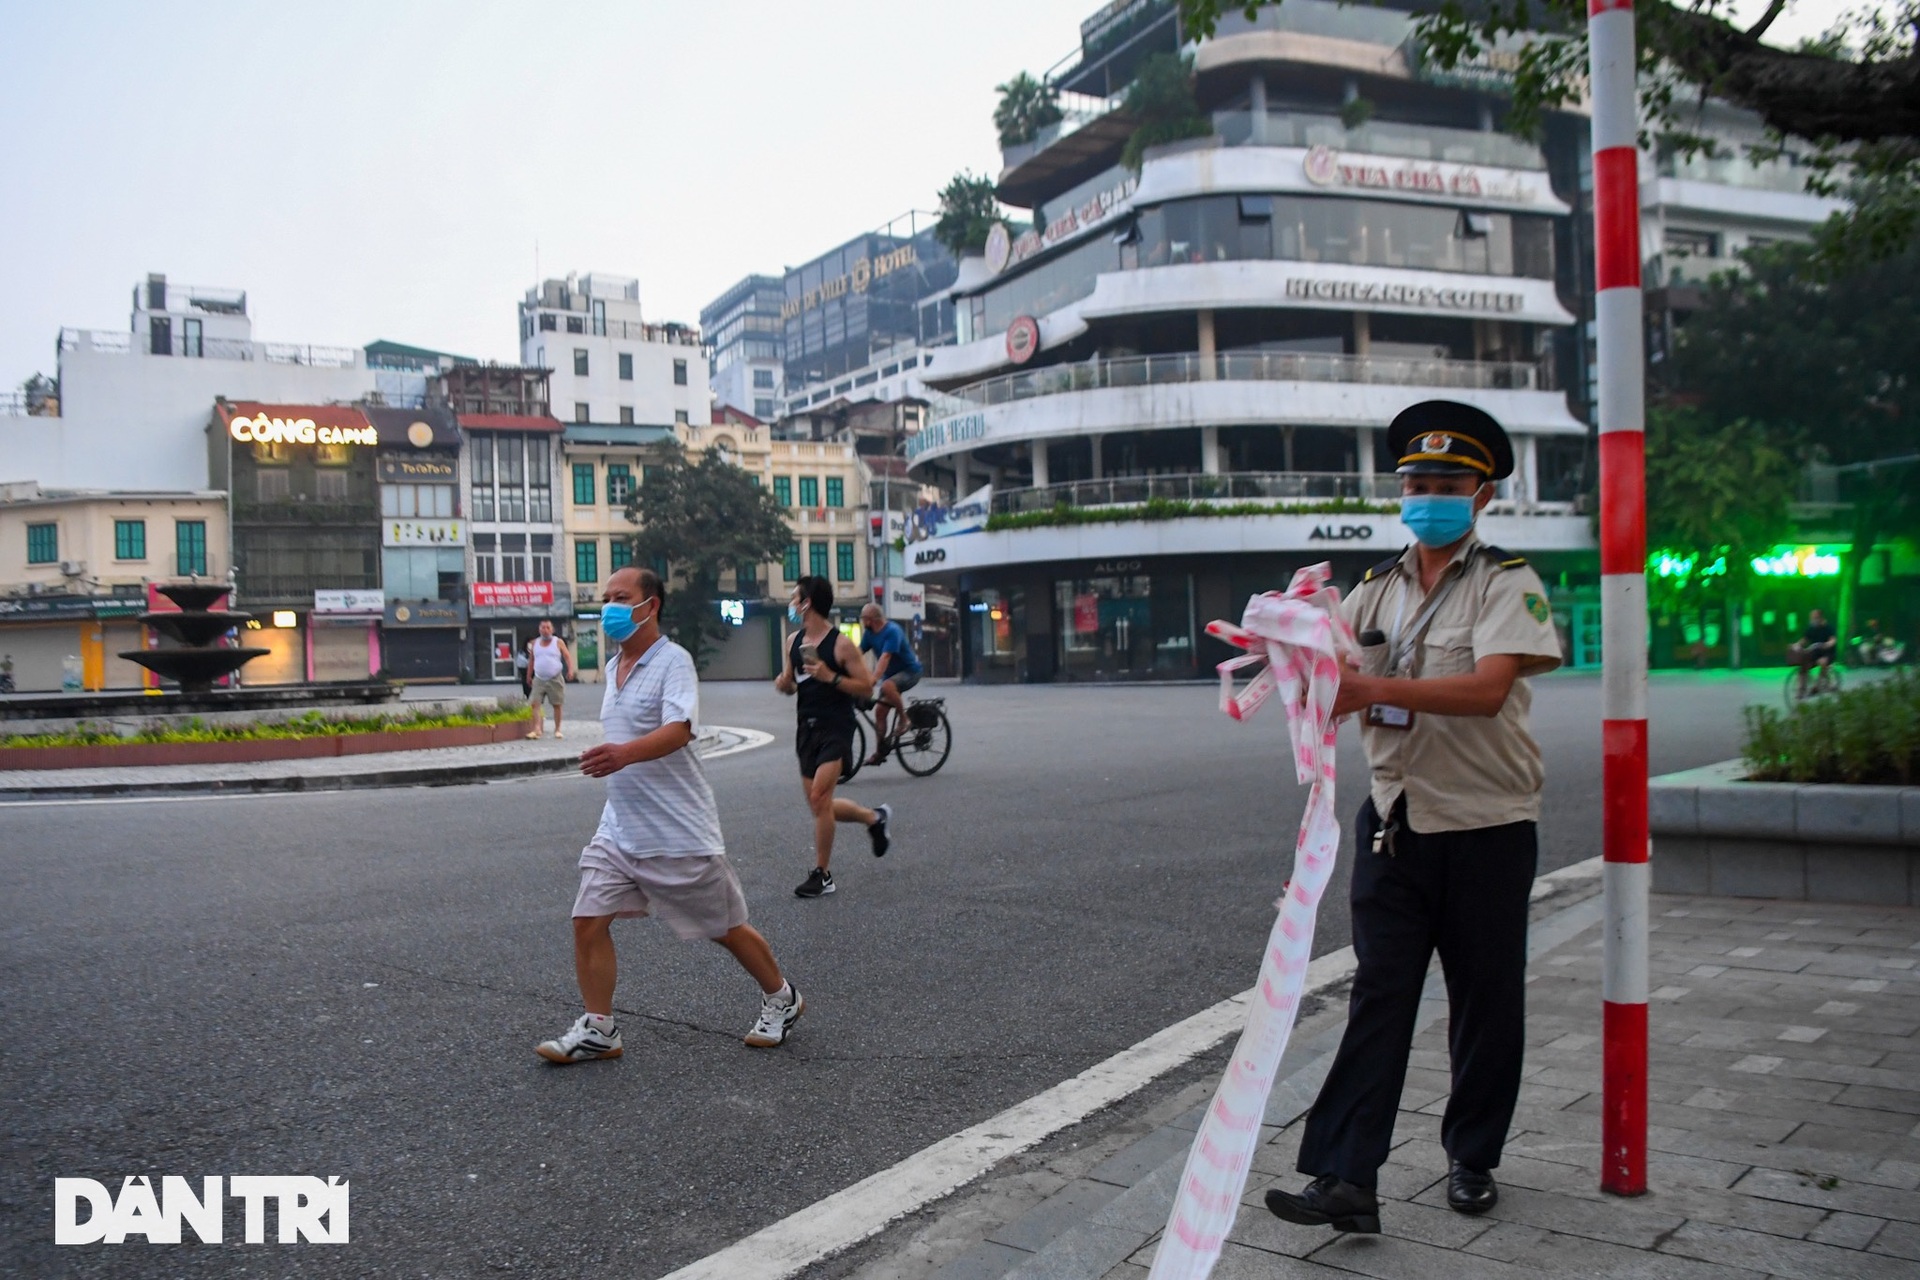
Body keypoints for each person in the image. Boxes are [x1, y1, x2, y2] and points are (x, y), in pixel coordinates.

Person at [1265, 400, 1564, 1234]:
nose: (1427, 495)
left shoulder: (1508, 584)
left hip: (1487, 825)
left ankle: (1473, 1157)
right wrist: (1283, 634)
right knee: (1381, 996)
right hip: (1394, 823)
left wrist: (1372, 689)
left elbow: (1489, 688)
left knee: (1484, 1001)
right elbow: (1327, 669)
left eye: (1445, 483)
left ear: (1482, 495)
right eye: (1415, 482)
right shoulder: (1373, 594)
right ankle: (1346, 1177)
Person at [537, 566, 804, 1063]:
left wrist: (621, 755)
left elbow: (681, 729)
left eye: (621, 597)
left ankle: (782, 997)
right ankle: (600, 1028)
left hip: (677, 829)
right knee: (587, 920)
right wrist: (618, 762)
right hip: (620, 827)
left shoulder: (672, 661)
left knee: (725, 928)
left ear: (650, 604)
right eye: (606, 597)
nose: (610, 606)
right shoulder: (616, 665)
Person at [773, 575, 892, 898]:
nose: (793, 603)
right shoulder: (793, 642)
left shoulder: (841, 644)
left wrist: (831, 676)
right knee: (820, 805)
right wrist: (784, 683)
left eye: (796, 597)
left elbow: (866, 687)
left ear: (807, 602)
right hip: (806, 727)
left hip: (836, 727)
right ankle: (873, 818)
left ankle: (822, 874)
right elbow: (791, 681)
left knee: (819, 800)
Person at [858, 603, 924, 764]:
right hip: (891, 677)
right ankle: (880, 753)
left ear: (872, 619)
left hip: (910, 672)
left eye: (864, 618)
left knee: (887, 685)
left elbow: (885, 658)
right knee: (880, 712)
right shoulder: (869, 633)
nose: (862, 621)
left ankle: (904, 719)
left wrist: (873, 680)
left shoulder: (892, 631)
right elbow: (857, 653)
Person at [526, 618, 576, 739]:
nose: (545, 630)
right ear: (539, 629)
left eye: (548, 627)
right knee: (535, 703)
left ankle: (557, 729)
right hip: (539, 678)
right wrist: (529, 675)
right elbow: (532, 660)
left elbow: (567, 657)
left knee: (557, 704)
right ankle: (537, 729)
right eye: (543, 627)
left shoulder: (558, 642)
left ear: (552, 629)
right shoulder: (535, 643)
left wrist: (570, 670)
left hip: (555, 677)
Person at [1789, 609, 1838, 696]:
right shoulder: (1811, 629)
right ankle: (1801, 689)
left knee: (1822, 662)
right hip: (1815, 652)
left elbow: (1833, 640)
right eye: (1811, 618)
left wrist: (1828, 644)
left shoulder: (1828, 627)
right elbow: (1804, 640)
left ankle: (1818, 685)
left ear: (1820, 618)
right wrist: (1796, 645)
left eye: (1815, 617)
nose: (1813, 620)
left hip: (1827, 653)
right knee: (1803, 666)